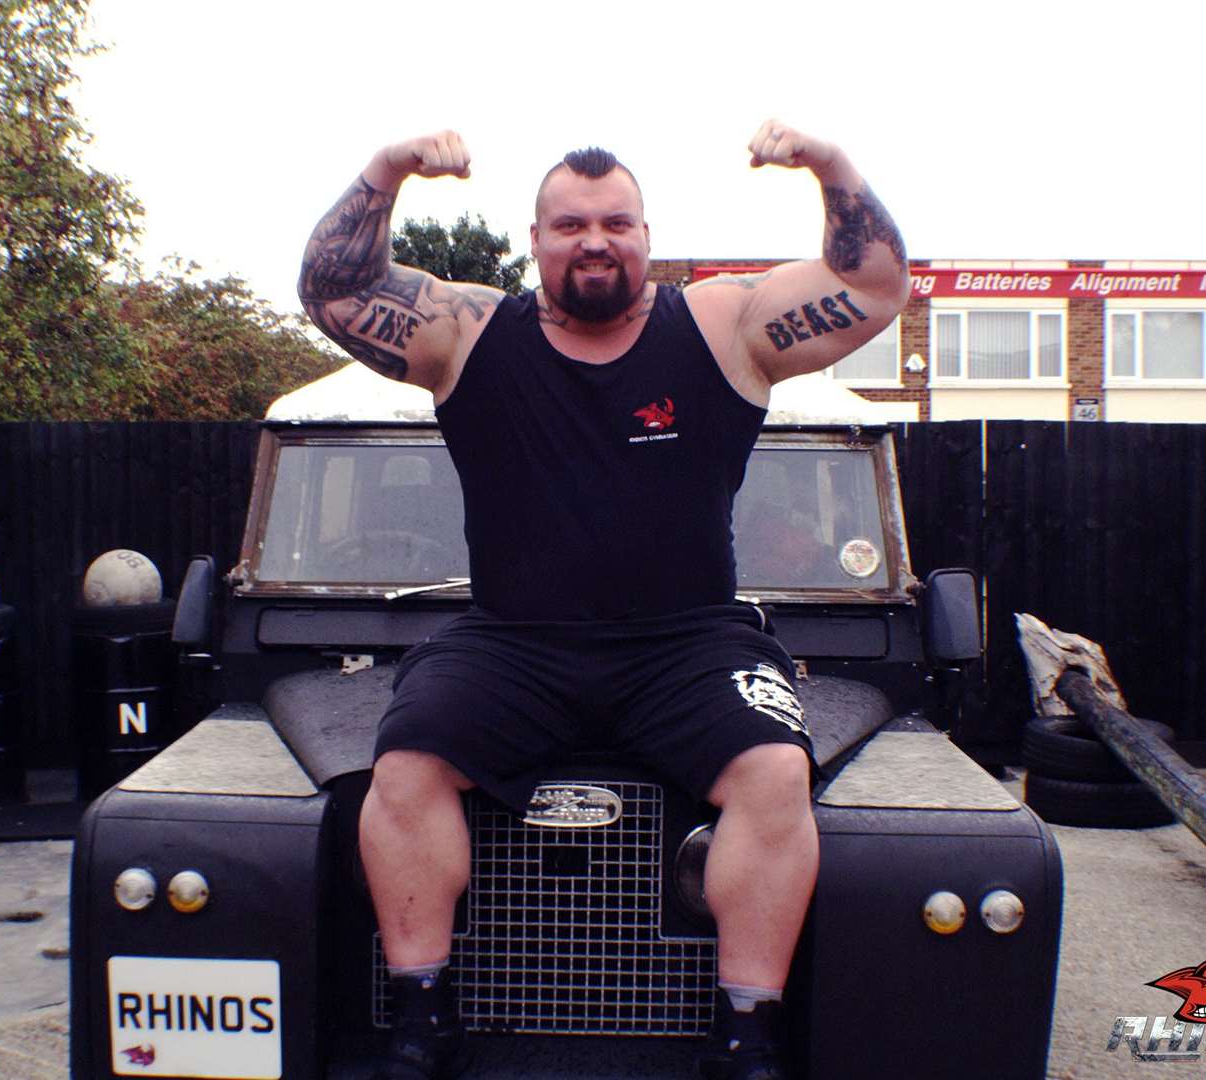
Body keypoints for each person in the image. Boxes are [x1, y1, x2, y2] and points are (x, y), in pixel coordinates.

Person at [298, 121, 909, 1080]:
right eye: (571, 224)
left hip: (689, 643)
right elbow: (332, 291)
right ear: (535, 240)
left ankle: (748, 1037)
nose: (595, 240)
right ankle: (422, 1020)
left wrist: (830, 165)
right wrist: (389, 170)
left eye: (616, 222)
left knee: (774, 774)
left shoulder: (723, 327)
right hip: (512, 642)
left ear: (645, 235)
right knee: (405, 763)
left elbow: (874, 288)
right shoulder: (468, 334)